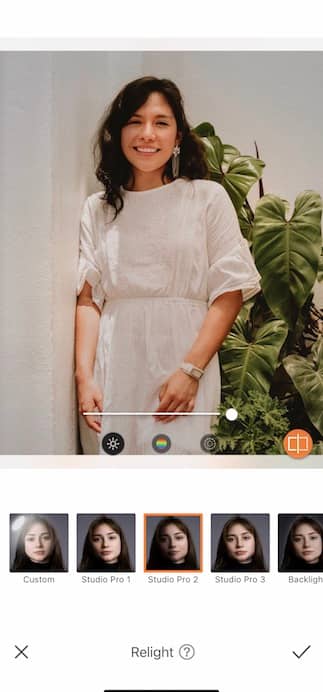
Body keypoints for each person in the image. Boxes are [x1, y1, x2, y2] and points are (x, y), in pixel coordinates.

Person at [76, 76, 261, 455]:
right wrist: (84, 377)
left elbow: (230, 291)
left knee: (179, 490)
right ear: (117, 132)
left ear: (178, 137)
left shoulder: (206, 198)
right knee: (114, 493)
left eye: (161, 123)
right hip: (115, 367)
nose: (147, 134)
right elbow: (88, 299)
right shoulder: (98, 208)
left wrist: (190, 371)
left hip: (182, 362)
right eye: (135, 121)